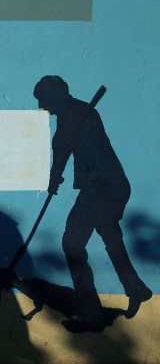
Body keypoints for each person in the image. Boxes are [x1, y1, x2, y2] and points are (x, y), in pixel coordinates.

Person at [33, 75, 152, 324]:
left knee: (72, 242)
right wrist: (55, 178)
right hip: (102, 187)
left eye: (43, 100)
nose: (42, 107)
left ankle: (89, 307)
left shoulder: (83, 114)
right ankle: (135, 288)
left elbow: (83, 149)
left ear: (57, 95)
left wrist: (64, 171)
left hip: (104, 187)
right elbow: (62, 151)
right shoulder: (68, 118)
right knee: (109, 235)